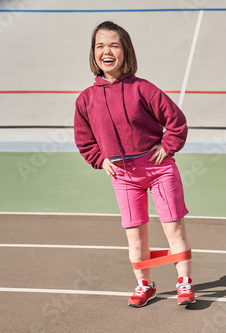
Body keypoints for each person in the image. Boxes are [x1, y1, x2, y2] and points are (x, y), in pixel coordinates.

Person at [74, 21, 194, 307]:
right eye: (100, 46)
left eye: (114, 45)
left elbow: (177, 122)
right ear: (93, 54)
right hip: (123, 176)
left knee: (173, 228)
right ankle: (145, 285)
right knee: (136, 238)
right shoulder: (86, 99)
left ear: (125, 52)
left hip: (158, 170)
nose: (107, 51)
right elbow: (84, 139)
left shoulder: (144, 89)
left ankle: (184, 283)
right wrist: (99, 159)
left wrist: (167, 147)